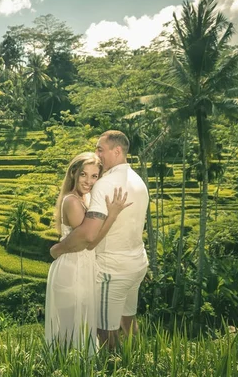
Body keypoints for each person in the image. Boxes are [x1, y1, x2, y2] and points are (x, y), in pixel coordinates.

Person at [50, 130, 149, 351]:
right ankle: (139, 360)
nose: (97, 153)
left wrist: (57, 249)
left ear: (117, 150)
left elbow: (88, 236)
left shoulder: (105, 184)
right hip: (137, 264)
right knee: (128, 319)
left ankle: (113, 368)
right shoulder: (138, 181)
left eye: (100, 149)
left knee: (104, 329)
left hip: (111, 270)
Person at [45, 152, 131, 354]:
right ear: (74, 173)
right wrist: (113, 215)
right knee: (69, 330)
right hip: (71, 269)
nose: (89, 181)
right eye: (84, 175)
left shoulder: (87, 197)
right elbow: (89, 241)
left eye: (94, 176)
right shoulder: (72, 202)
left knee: (82, 326)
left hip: (83, 267)